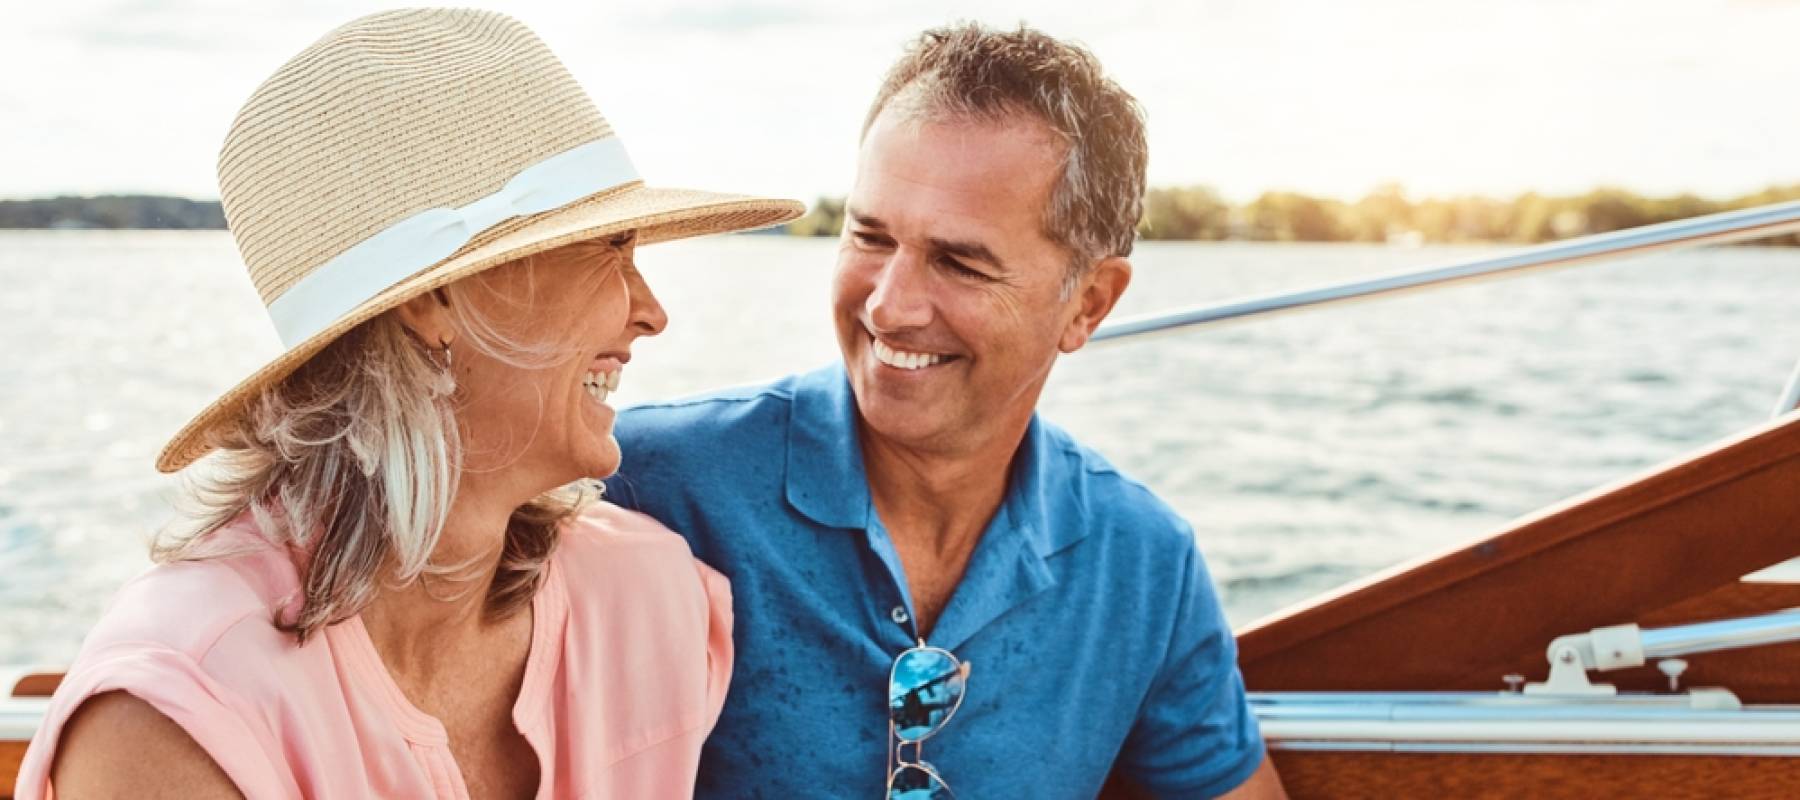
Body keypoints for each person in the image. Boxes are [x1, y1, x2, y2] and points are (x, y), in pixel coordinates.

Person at [14, 8, 800, 799]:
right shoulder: (179, 708)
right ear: (435, 302)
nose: (650, 310)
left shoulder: (650, 599)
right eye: (610, 247)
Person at [606, 21, 1285, 800]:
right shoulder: (647, 485)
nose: (890, 307)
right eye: (869, 237)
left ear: (1089, 304)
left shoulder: (1143, 561)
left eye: (960, 262)